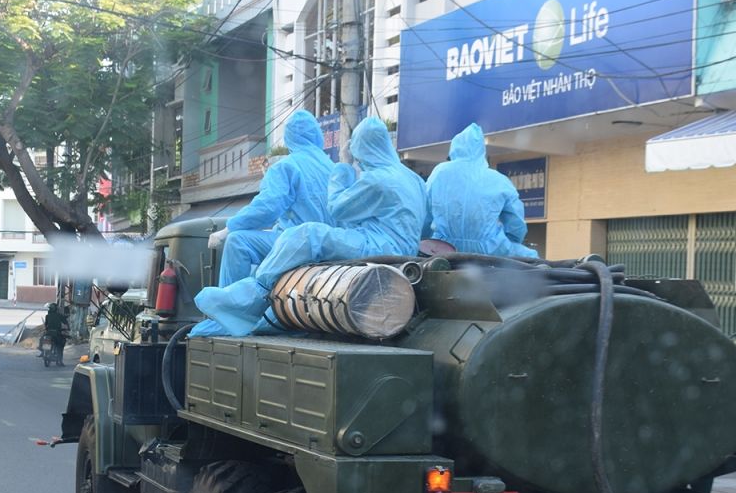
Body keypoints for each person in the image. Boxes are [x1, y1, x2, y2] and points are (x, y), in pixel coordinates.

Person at [195, 115, 427, 336]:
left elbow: (336, 208)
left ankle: (241, 305)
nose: (360, 163)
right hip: (399, 249)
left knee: (295, 235)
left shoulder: (373, 178)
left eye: (359, 157)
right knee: (301, 237)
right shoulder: (413, 178)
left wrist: (345, 166)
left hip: (377, 246)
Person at [208, 110, 334, 286]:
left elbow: (267, 207)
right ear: (317, 135)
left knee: (237, 242)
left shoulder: (288, 166)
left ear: (289, 138)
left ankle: (229, 309)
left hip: (299, 246)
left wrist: (228, 229)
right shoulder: (333, 167)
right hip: (332, 248)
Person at [422, 123, 537, 258]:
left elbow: (425, 215)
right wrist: (512, 241)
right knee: (533, 260)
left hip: (444, 247)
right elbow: (516, 224)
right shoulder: (499, 180)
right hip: (489, 248)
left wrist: (424, 240)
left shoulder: (440, 172)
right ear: (482, 150)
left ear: (454, 148)